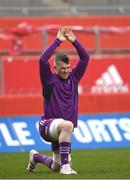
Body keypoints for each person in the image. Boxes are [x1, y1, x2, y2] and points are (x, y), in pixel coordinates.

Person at [27, 27, 90, 175]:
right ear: (55, 67)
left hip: (62, 130)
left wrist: (74, 41)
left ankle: (35, 157)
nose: (66, 70)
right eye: (62, 68)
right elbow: (42, 59)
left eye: (68, 67)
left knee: (55, 165)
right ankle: (66, 168)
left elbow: (85, 57)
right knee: (68, 125)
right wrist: (57, 41)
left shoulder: (74, 78)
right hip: (48, 125)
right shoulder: (49, 80)